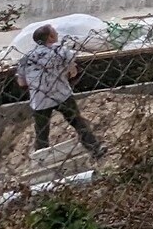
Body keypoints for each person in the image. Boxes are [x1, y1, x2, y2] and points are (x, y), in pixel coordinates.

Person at [14, 24, 105, 158]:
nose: (57, 34)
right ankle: (95, 149)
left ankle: (41, 160)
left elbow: (21, 82)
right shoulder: (61, 51)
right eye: (55, 33)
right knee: (78, 123)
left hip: (39, 100)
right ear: (50, 37)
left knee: (42, 132)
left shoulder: (26, 58)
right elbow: (73, 72)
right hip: (61, 94)